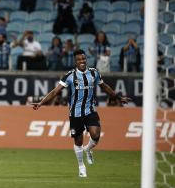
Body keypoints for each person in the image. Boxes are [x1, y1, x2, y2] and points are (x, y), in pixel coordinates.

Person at [30, 49, 131, 177]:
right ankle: (81, 167)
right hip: (75, 113)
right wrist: (41, 103)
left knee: (96, 135)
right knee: (78, 140)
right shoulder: (70, 76)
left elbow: (105, 87)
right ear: (75, 61)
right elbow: (55, 92)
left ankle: (88, 149)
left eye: (83, 59)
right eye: (79, 60)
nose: (82, 61)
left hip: (90, 110)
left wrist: (119, 98)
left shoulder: (94, 73)